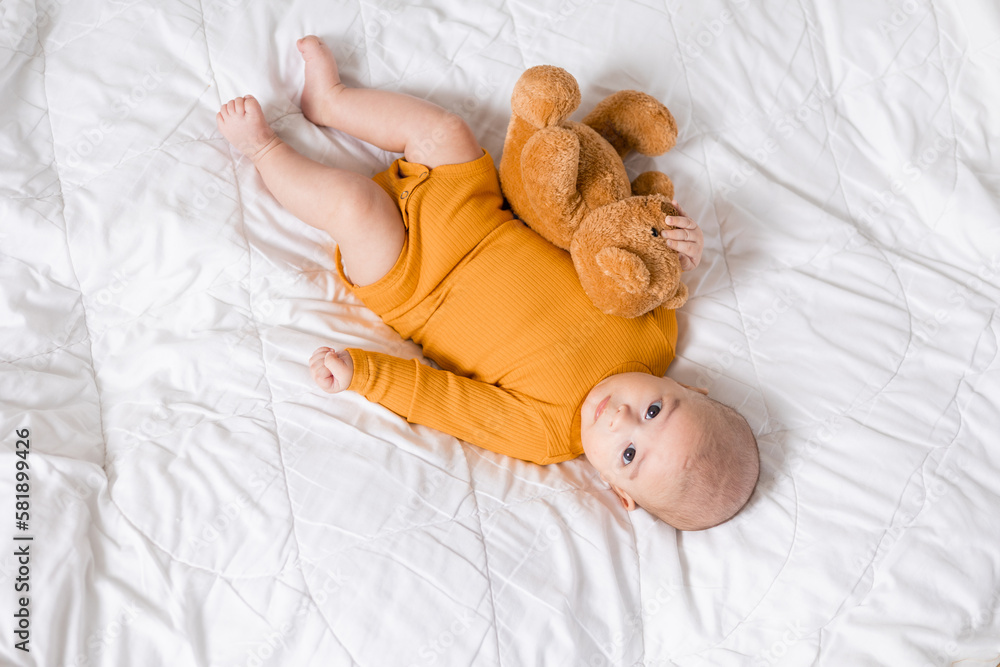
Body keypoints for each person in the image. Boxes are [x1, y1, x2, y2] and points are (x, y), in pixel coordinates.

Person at [216, 35, 759, 530]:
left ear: (618, 491)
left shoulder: (544, 434)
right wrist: (684, 245)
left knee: (357, 207)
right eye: (655, 411)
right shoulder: (657, 334)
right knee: (445, 133)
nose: (621, 419)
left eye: (628, 454)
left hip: (413, 281)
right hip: (477, 213)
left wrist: (364, 374)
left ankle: (263, 150)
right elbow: (645, 259)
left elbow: (447, 403)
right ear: (691, 389)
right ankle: (330, 101)